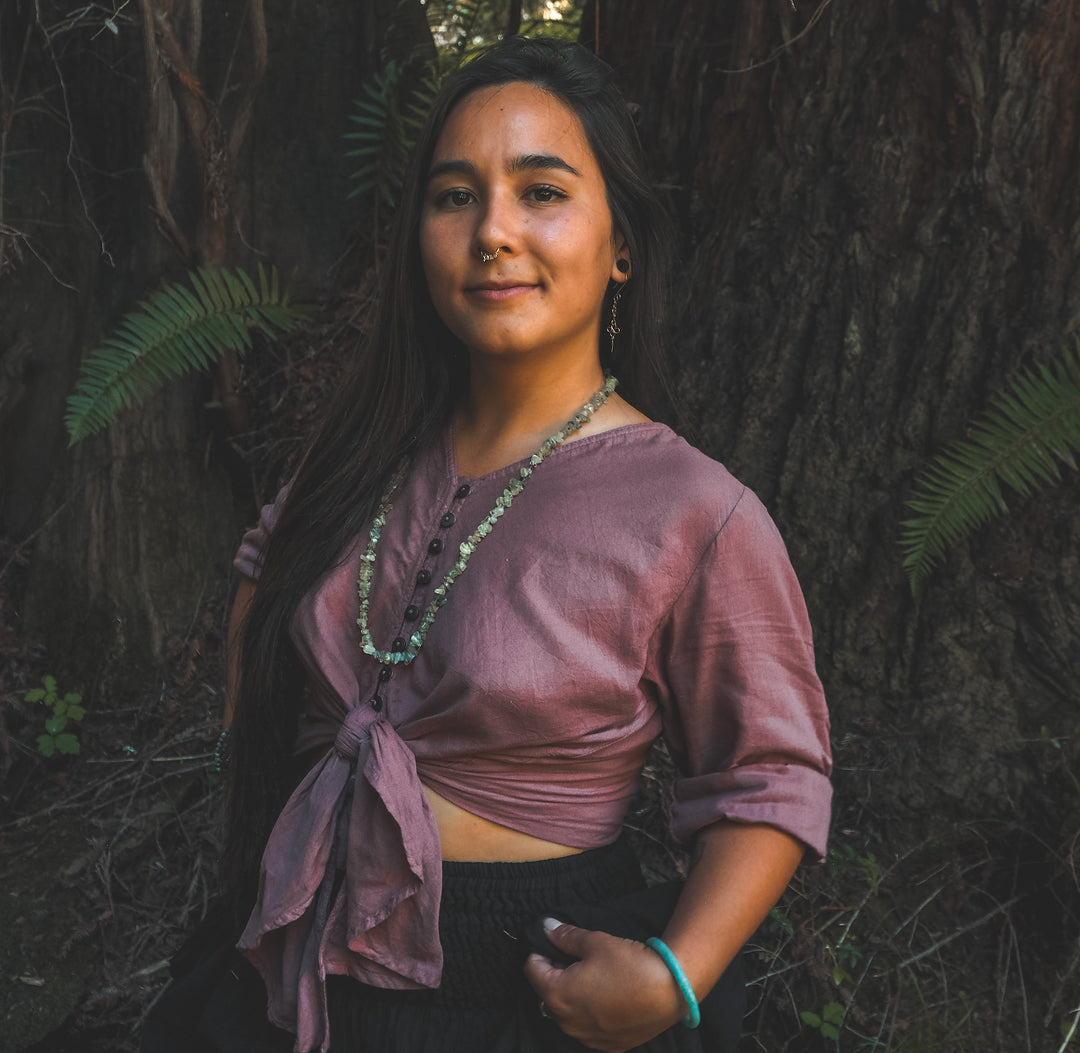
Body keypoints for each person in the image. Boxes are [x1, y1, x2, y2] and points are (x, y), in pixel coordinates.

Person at [145, 34, 831, 1053]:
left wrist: (676, 974)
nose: (493, 233)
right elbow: (264, 593)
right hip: (292, 953)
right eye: (455, 196)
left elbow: (769, 777)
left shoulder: (696, 510)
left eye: (542, 192)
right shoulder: (361, 453)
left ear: (622, 243)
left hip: (519, 990)